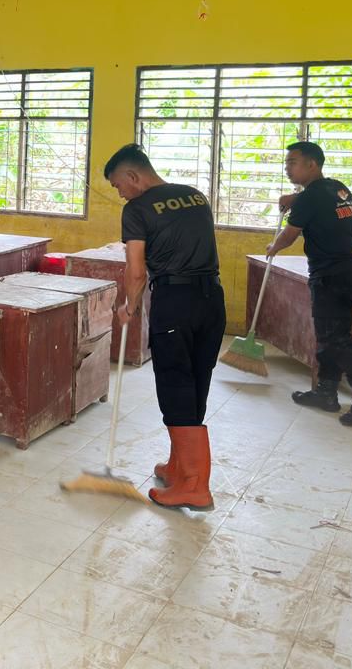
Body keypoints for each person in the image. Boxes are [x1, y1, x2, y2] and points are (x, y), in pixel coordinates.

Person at [105, 143, 223, 511]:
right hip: (212, 300)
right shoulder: (194, 196)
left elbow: (136, 270)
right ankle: (179, 467)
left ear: (132, 176)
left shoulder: (137, 209)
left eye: (118, 185)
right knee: (196, 382)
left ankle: (195, 486)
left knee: (175, 385)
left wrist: (129, 306)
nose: (120, 193)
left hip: (175, 302)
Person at [268, 141, 352, 426]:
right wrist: (295, 198)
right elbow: (316, 199)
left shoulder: (310, 197)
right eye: (286, 163)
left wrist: (274, 247)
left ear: (312, 164)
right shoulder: (338, 188)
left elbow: (290, 234)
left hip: (330, 275)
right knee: (329, 336)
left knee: (336, 338)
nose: (287, 168)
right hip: (351, 272)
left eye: (292, 162)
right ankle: (326, 392)